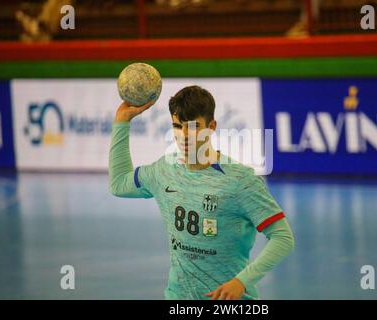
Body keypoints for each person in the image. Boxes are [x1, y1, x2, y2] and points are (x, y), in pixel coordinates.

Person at [109, 85, 295, 300]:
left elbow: (283, 237)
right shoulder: (164, 170)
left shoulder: (240, 181)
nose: (185, 135)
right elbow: (119, 184)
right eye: (178, 126)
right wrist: (121, 122)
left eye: (194, 126)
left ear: (212, 126)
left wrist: (242, 282)